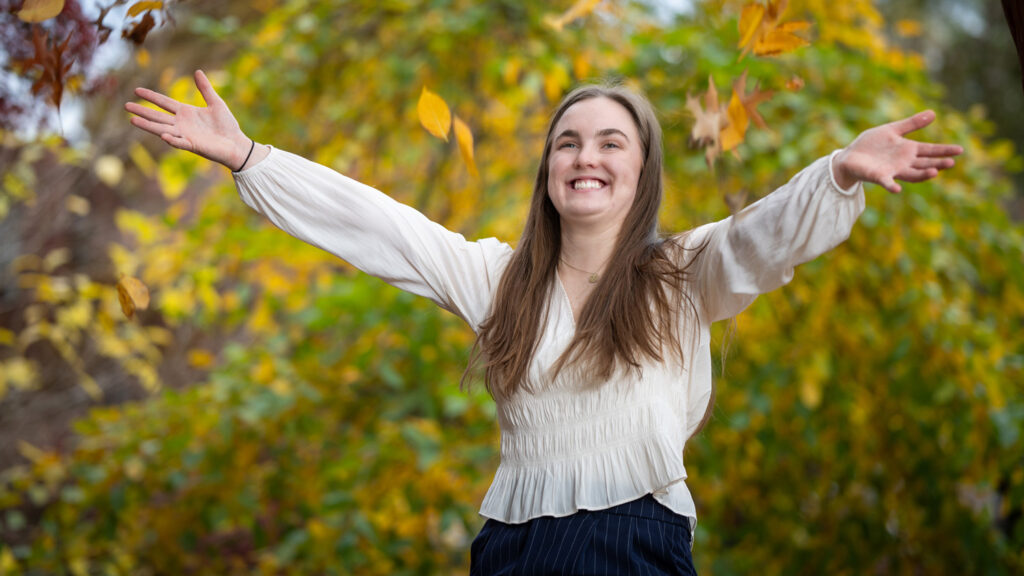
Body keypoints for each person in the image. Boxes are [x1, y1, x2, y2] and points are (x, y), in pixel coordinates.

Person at [125, 70, 962, 575]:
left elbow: (759, 239)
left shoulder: (679, 272)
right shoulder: (496, 278)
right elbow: (381, 225)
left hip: (638, 543)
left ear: (641, 172)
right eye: (568, 143)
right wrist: (249, 158)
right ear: (548, 170)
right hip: (510, 551)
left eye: (609, 143)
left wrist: (837, 175)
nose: (585, 158)